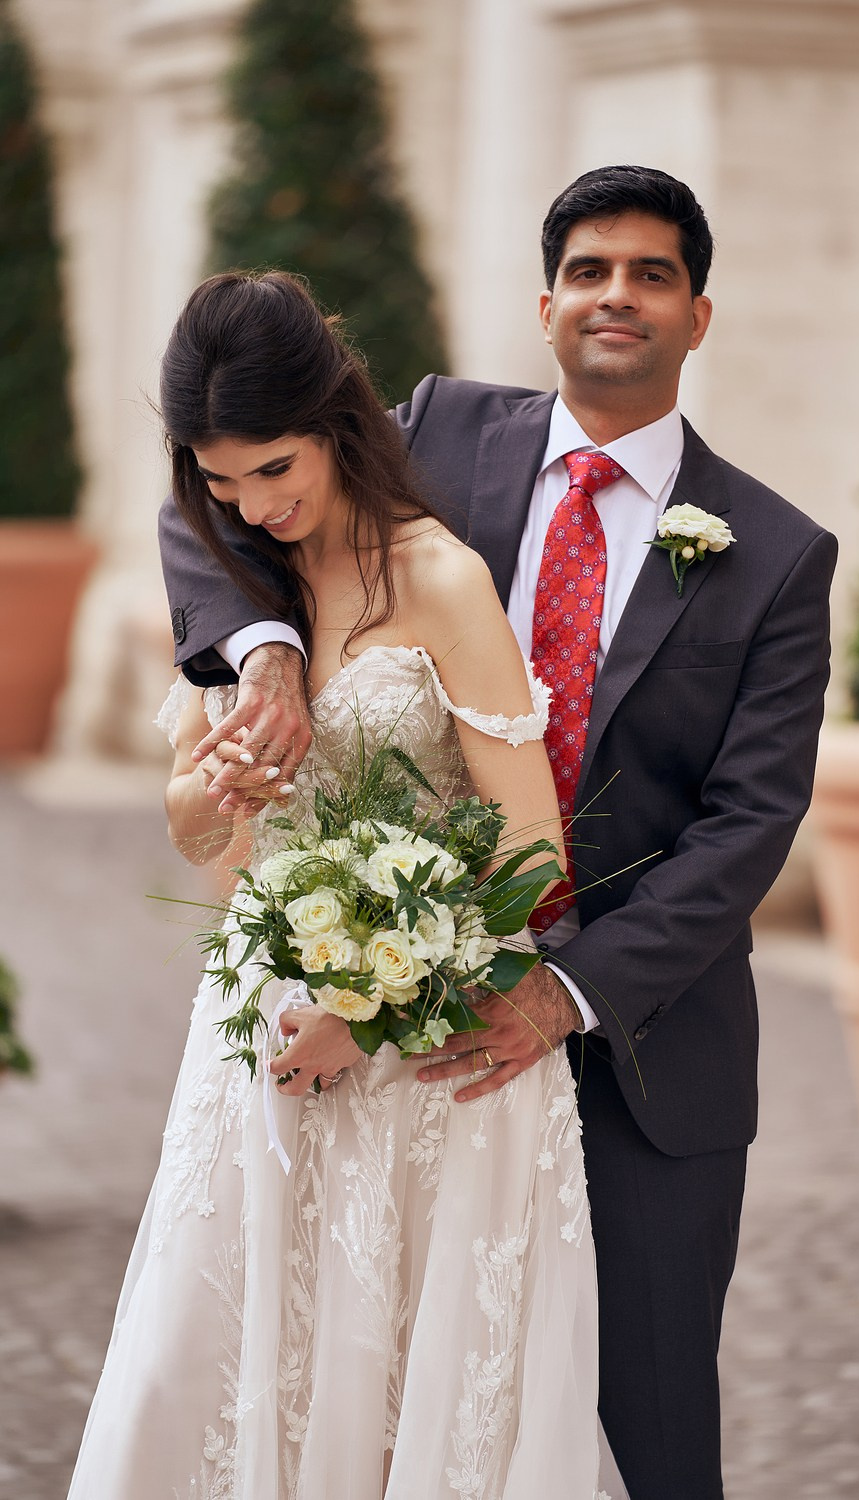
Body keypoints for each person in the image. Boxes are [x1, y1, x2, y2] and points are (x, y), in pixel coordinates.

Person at [158, 165, 839, 1499]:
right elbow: (215, 501)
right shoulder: (435, 431)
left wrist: (557, 990)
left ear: (699, 315)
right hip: (396, 1054)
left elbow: (750, 827)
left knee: (641, 1434)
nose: (615, 296)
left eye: (650, 274)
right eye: (587, 270)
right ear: (545, 304)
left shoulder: (775, 553)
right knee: (368, 1398)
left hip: (639, 1044)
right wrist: (269, 651)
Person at [68, 271, 618, 1500]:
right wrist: (222, 788)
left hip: (426, 1062)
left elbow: (532, 853)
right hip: (256, 1038)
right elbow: (192, 834)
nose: (256, 507)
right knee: (205, 1368)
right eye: (222, 483)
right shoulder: (235, 586)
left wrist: (370, 1012)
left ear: (334, 420)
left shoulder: (439, 579)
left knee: (400, 1398)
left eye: (275, 469)